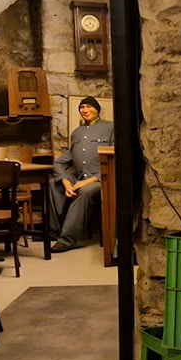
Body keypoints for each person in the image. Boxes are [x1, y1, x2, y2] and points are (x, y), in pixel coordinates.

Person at [49, 97, 114, 252]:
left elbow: (116, 159)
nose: (85, 110)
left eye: (89, 106)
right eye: (82, 107)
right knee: (53, 183)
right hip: (79, 178)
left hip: (101, 179)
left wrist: (88, 181)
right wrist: (65, 180)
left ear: (97, 110)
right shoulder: (77, 133)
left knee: (84, 191)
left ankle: (67, 240)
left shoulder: (110, 128)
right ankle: (54, 231)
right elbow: (60, 162)